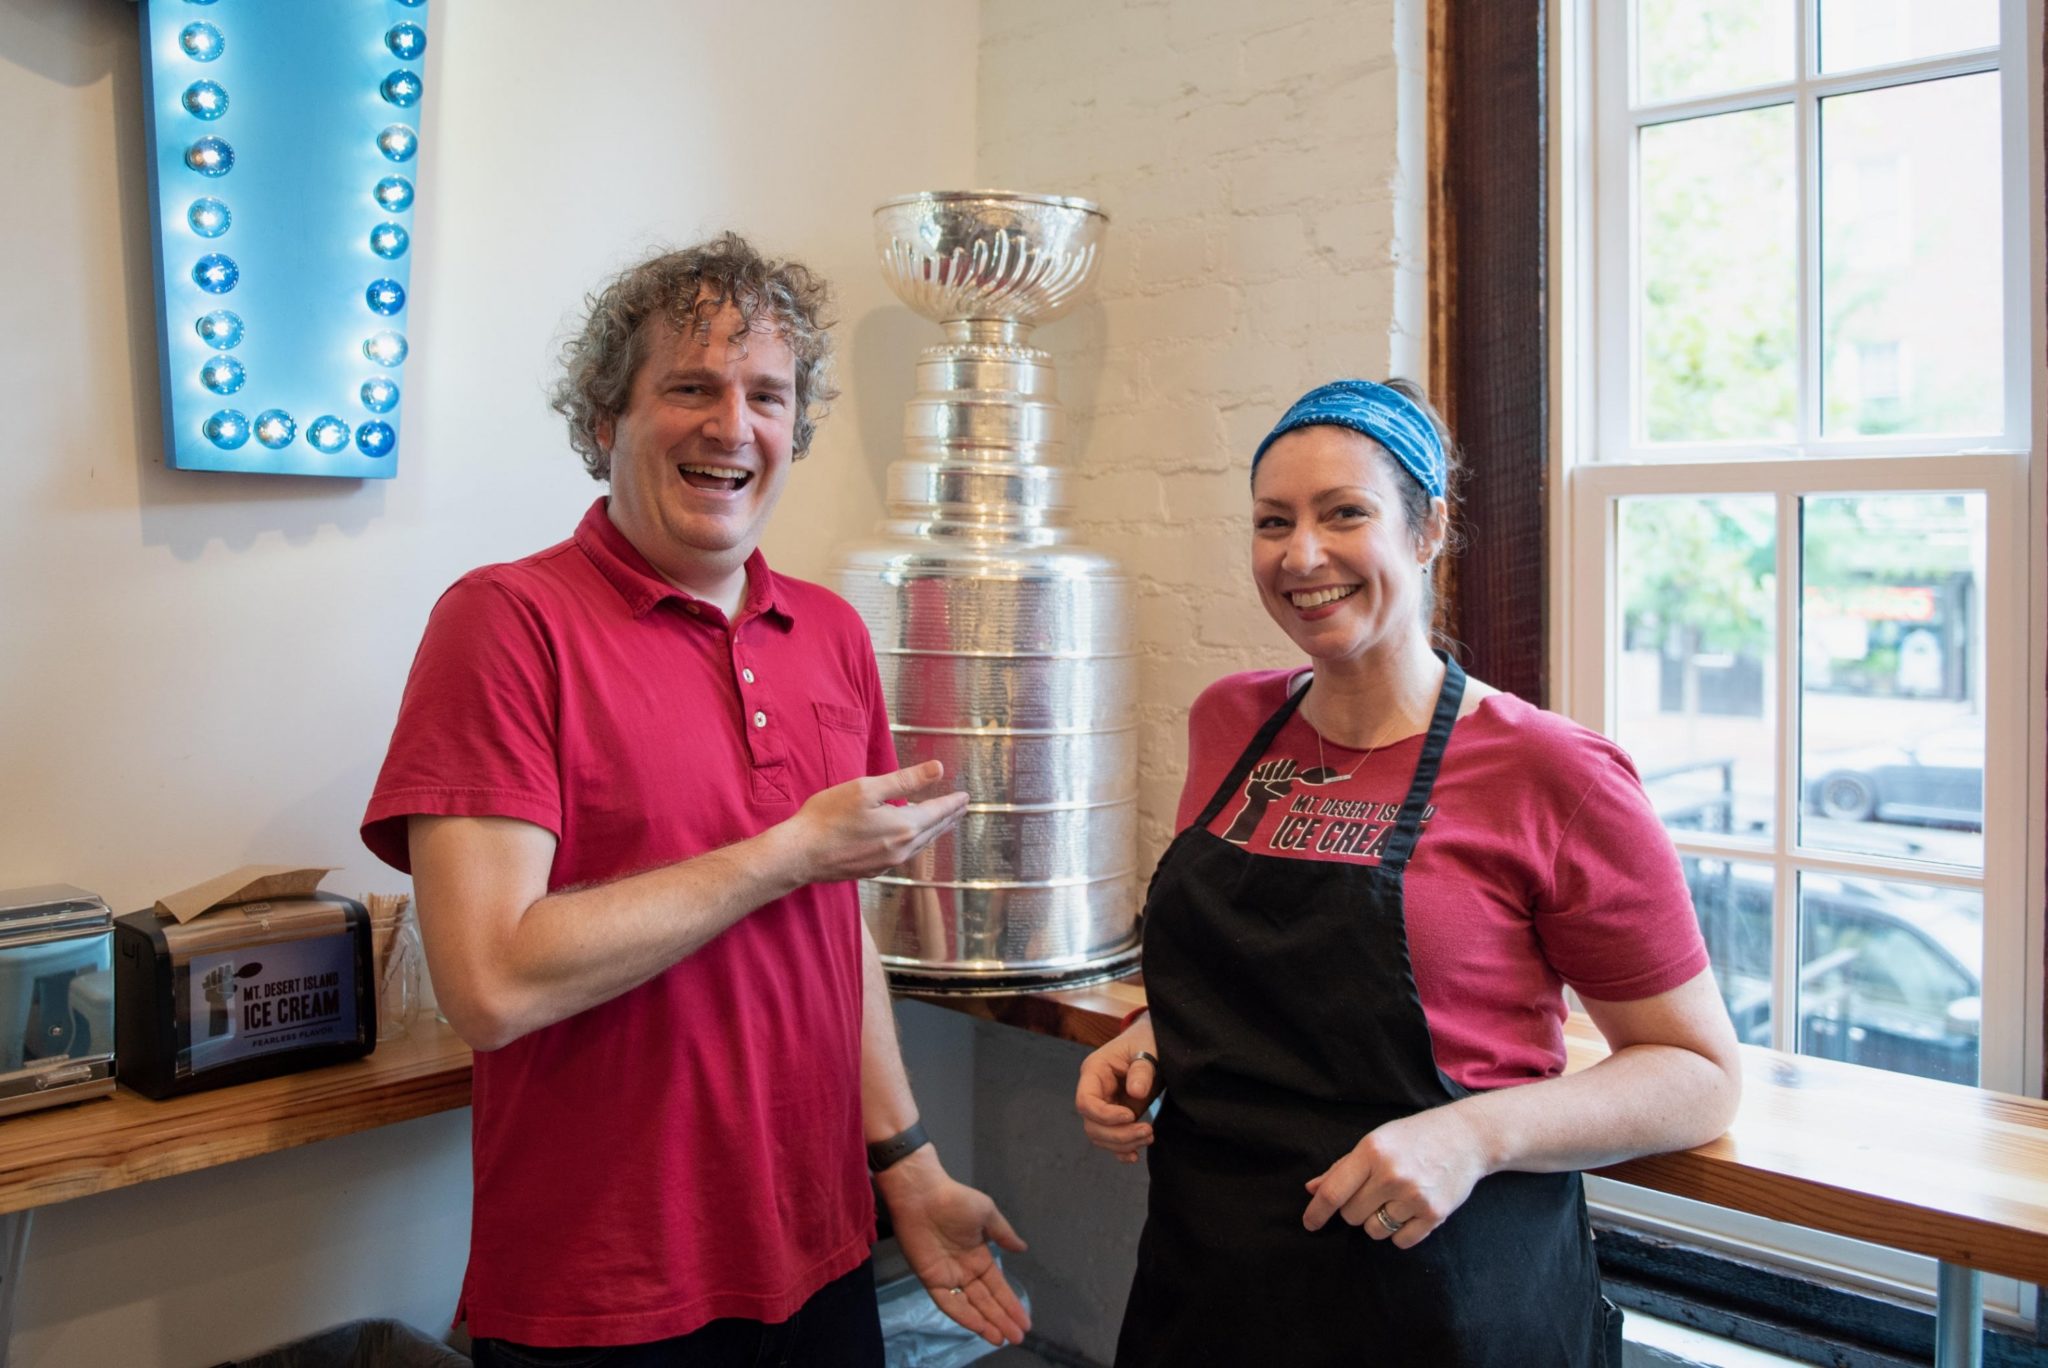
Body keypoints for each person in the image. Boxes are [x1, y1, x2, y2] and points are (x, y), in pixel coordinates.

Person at [363, 233, 1029, 1366]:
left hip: (818, 1253)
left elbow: (835, 932)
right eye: (688, 387)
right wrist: (786, 849)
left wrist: (905, 1163)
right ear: (603, 422)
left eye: (766, 395)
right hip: (605, 1285)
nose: (733, 425)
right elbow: (490, 982)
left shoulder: (827, 634)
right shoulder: (505, 625)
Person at [1074, 379, 1742, 1367]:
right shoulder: (1230, 721)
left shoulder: (1552, 772)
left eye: (1344, 513)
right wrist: (1153, 1032)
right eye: (1272, 522)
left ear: (1426, 529)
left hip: (1442, 1296)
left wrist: (1470, 1137)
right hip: (1215, 1282)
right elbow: (1251, 974)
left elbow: (1696, 1076)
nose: (1301, 555)